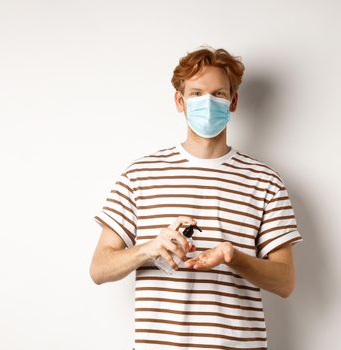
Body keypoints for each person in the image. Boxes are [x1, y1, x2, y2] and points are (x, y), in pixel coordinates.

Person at [90, 45, 303, 349]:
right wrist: (149, 248)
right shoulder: (139, 175)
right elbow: (99, 268)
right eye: (197, 93)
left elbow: (285, 282)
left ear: (233, 101)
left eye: (218, 94)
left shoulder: (265, 181)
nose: (208, 102)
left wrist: (233, 256)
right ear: (180, 101)